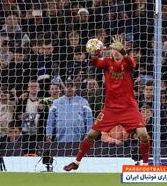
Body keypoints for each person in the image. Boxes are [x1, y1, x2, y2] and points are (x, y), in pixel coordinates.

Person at [64, 36, 150, 171]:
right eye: (113, 49)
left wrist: (123, 51)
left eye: (118, 49)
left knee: (143, 134)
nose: (115, 52)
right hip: (110, 109)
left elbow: (133, 64)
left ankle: (145, 165)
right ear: (110, 52)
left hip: (129, 108)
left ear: (122, 50)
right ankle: (76, 162)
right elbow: (94, 62)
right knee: (91, 134)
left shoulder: (127, 63)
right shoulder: (107, 62)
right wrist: (93, 53)